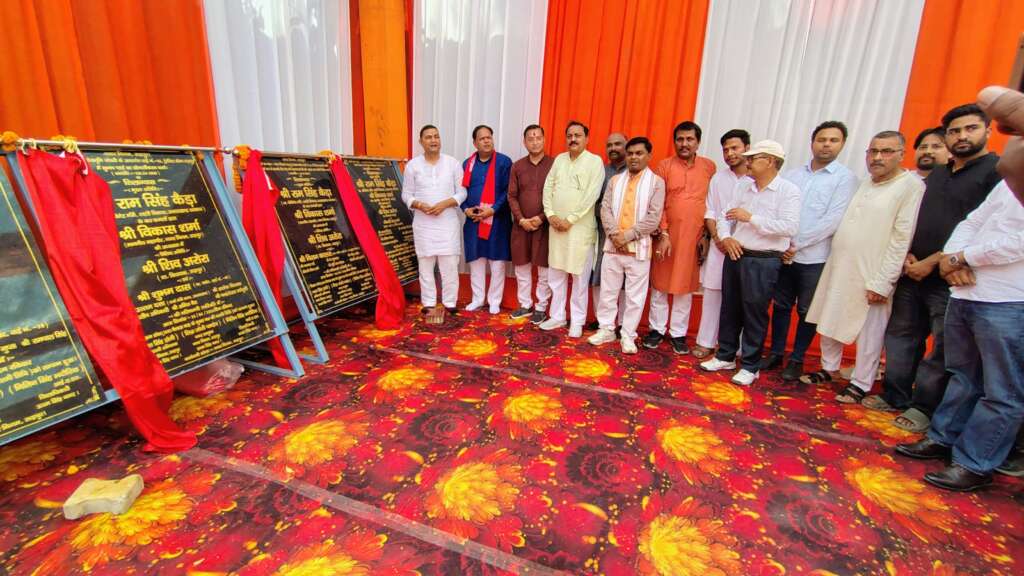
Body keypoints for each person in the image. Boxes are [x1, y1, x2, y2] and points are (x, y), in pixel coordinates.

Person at [894, 179, 1023, 491]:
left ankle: (975, 463)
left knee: (1002, 391)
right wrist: (952, 258)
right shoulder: (1009, 181)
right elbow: (972, 222)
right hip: (967, 293)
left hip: (1010, 299)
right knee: (962, 377)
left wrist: (965, 257)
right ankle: (942, 438)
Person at [880, 104, 1002, 433]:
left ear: (988, 131)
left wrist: (935, 260)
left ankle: (924, 406)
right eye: (954, 131)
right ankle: (895, 394)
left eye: (970, 129)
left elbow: (985, 228)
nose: (962, 136)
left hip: (952, 277)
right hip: (913, 271)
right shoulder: (938, 173)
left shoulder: (996, 173)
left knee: (944, 348)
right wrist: (909, 255)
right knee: (902, 336)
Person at [804, 131, 924, 405]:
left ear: (901, 154)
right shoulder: (865, 183)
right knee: (830, 315)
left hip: (873, 270)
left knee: (870, 328)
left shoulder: (910, 186)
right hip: (840, 264)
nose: (878, 157)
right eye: (873, 151)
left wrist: (884, 281)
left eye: (886, 151)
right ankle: (829, 367)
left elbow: (902, 237)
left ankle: (861, 382)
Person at [700, 140, 800, 386]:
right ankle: (725, 355)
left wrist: (751, 218)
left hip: (764, 259)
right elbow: (725, 216)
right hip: (736, 253)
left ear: (771, 161)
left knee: (754, 313)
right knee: (729, 308)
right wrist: (726, 237)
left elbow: (789, 227)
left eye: (754, 158)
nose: (748, 162)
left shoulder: (788, 191)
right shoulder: (743, 186)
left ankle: (750, 365)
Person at [763, 121, 858, 381]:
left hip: (814, 257)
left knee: (808, 310)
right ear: (812, 142)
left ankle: (797, 359)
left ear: (842, 144)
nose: (826, 145)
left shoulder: (845, 179)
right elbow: (778, 210)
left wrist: (796, 244)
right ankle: (776, 353)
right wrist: (784, 244)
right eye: (821, 139)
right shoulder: (793, 175)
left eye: (833, 140)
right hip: (784, 254)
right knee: (781, 306)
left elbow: (833, 221)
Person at [644, 121, 716, 354]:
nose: (684, 144)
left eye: (689, 139)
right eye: (680, 139)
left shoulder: (709, 167)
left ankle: (678, 333)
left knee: (685, 287)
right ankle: (656, 330)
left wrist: (706, 236)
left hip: (694, 237)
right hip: (666, 235)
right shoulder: (664, 166)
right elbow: (657, 202)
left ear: (698, 142)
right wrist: (663, 232)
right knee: (660, 284)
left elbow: (713, 204)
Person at [588, 137, 665, 353]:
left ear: (649, 156)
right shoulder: (615, 181)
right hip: (613, 247)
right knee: (608, 292)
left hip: (638, 250)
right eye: (630, 153)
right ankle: (606, 329)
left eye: (639, 153)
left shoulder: (656, 183)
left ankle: (628, 335)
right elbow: (605, 209)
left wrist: (627, 236)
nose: (633, 157)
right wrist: (615, 235)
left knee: (635, 297)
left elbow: (654, 218)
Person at [540, 121, 605, 337]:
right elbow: (548, 187)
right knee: (556, 273)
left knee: (579, 277)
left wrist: (570, 219)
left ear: (587, 138)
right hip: (556, 227)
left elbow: (592, 195)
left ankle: (577, 321)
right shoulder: (559, 159)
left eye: (578, 135)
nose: (573, 139)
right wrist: (550, 214)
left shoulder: (595, 162)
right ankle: (557, 316)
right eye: (569, 135)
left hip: (579, 229)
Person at [693, 129, 751, 359]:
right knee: (712, 294)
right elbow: (710, 211)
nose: (729, 153)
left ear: (747, 148)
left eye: (734, 148)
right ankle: (706, 342)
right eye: (726, 150)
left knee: (742, 298)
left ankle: (736, 346)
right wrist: (717, 238)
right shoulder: (718, 178)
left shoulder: (755, 179)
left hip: (747, 247)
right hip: (719, 245)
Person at [402, 125, 466, 319]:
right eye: (428, 137)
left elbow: (462, 192)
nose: (433, 140)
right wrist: (419, 205)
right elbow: (406, 194)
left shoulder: (453, 163)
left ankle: (450, 303)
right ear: (421, 142)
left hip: (447, 223)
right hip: (424, 224)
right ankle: (429, 302)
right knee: (425, 266)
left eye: (436, 136)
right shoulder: (413, 165)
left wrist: (445, 204)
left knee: (450, 266)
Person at [461, 125, 513, 314]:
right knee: (476, 261)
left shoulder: (504, 162)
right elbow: (460, 191)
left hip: (497, 221)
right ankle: (477, 299)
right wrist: (466, 209)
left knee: (497, 264)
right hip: (474, 221)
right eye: (482, 138)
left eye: (489, 137)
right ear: (475, 143)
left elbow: (508, 191)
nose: (486, 141)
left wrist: (492, 210)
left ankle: (494, 301)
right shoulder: (467, 164)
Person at [508, 125, 555, 323]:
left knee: (544, 269)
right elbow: (512, 196)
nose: (535, 142)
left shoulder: (555, 164)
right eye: (530, 138)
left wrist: (541, 218)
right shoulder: (517, 166)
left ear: (544, 139)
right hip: (521, 226)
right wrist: (521, 219)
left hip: (545, 226)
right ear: (524, 142)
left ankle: (541, 307)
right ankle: (525, 305)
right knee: (522, 267)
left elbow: (558, 195)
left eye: (538, 138)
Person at [587, 133, 628, 331]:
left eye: (618, 144)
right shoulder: (601, 171)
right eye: (609, 145)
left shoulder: (635, 171)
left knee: (625, 280)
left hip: (628, 235)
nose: (613, 148)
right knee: (599, 276)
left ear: (626, 146)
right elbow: (593, 201)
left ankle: (622, 323)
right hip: (603, 233)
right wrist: (607, 219)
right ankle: (601, 319)